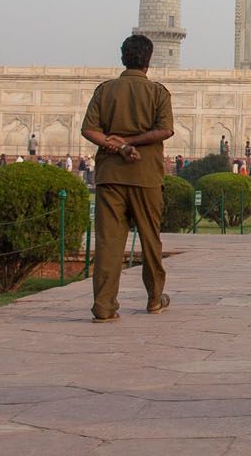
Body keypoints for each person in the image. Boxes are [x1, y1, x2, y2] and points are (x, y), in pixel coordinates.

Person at [80, 34, 175, 322]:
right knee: (149, 239)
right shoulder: (158, 93)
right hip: (146, 176)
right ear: (148, 61)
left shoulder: (105, 90)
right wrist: (133, 143)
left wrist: (119, 145)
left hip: (111, 175)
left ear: (123, 58)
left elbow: (89, 130)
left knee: (109, 242)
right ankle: (155, 299)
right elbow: (165, 130)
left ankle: (104, 306)